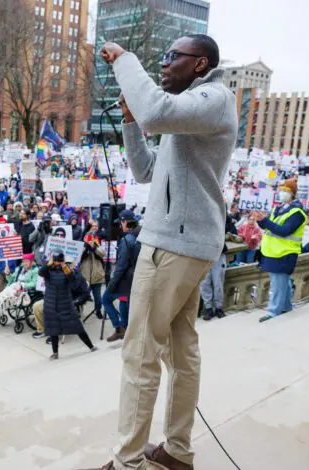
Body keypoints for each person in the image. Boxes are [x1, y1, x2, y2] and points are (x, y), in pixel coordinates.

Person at [92, 34, 236, 470]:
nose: (164, 64)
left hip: (172, 245)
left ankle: (127, 461)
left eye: (173, 57)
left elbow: (157, 109)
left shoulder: (213, 96)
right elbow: (146, 169)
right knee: (181, 353)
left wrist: (124, 59)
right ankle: (176, 451)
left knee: (139, 354)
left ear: (200, 64)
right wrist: (131, 121)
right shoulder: (189, 114)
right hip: (188, 244)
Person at [251, 178, 308, 323]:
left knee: (278, 284)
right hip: (272, 251)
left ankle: (273, 311)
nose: (282, 193)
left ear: (292, 193)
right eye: (281, 190)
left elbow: (284, 231)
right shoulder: (278, 208)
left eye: (285, 190)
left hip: (285, 253)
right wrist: (260, 219)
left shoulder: (298, 212)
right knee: (283, 283)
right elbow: (268, 227)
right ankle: (286, 306)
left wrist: (266, 221)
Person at [38, 252, 97, 360]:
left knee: (77, 327)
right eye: (56, 260)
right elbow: (40, 272)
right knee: (53, 329)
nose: (57, 262)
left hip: (65, 304)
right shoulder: (48, 270)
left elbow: (73, 282)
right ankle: (55, 353)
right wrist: (49, 263)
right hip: (51, 304)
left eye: (59, 260)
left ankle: (91, 346)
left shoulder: (67, 271)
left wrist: (64, 266)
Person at [103, 210, 141, 342]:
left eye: (121, 223)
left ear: (125, 222)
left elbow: (121, 266)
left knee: (105, 299)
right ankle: (124, 327)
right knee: (124, 300)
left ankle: (119, 328)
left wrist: (112, 283)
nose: (120, 226)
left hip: (126, 278)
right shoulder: (141, 235)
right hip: (135, 277)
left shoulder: (127, 240)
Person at [201, 213, 238, 321]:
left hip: (218, 253)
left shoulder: (223, 216)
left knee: (218, 283)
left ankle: (218, 307)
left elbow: (230, 228)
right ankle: (208, 308)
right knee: (204, 283)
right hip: (203, 254)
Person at [0, 253, 39, 322]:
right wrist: (7, 274)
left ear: (31, 262)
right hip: (15, 288)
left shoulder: (35, 270)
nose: (25, 263)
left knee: (5, 296)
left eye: (27, 261)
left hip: (26, 291)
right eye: (23, 261)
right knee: (4, 296)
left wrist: (22, 284)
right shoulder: (19, 269)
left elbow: (34, 284)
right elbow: (11, 280)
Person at [80, 221, 106, 319]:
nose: (89, 237)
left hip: (97, 272)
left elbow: (103, 254)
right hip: (85, 273)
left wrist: (94, 246)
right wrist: (86, 247)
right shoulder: (82, 243)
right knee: (82, 295)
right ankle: (80, 311)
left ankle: (98, 310)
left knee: (97, 296)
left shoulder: (97, 242)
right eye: (88, 236)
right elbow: (78, 256)